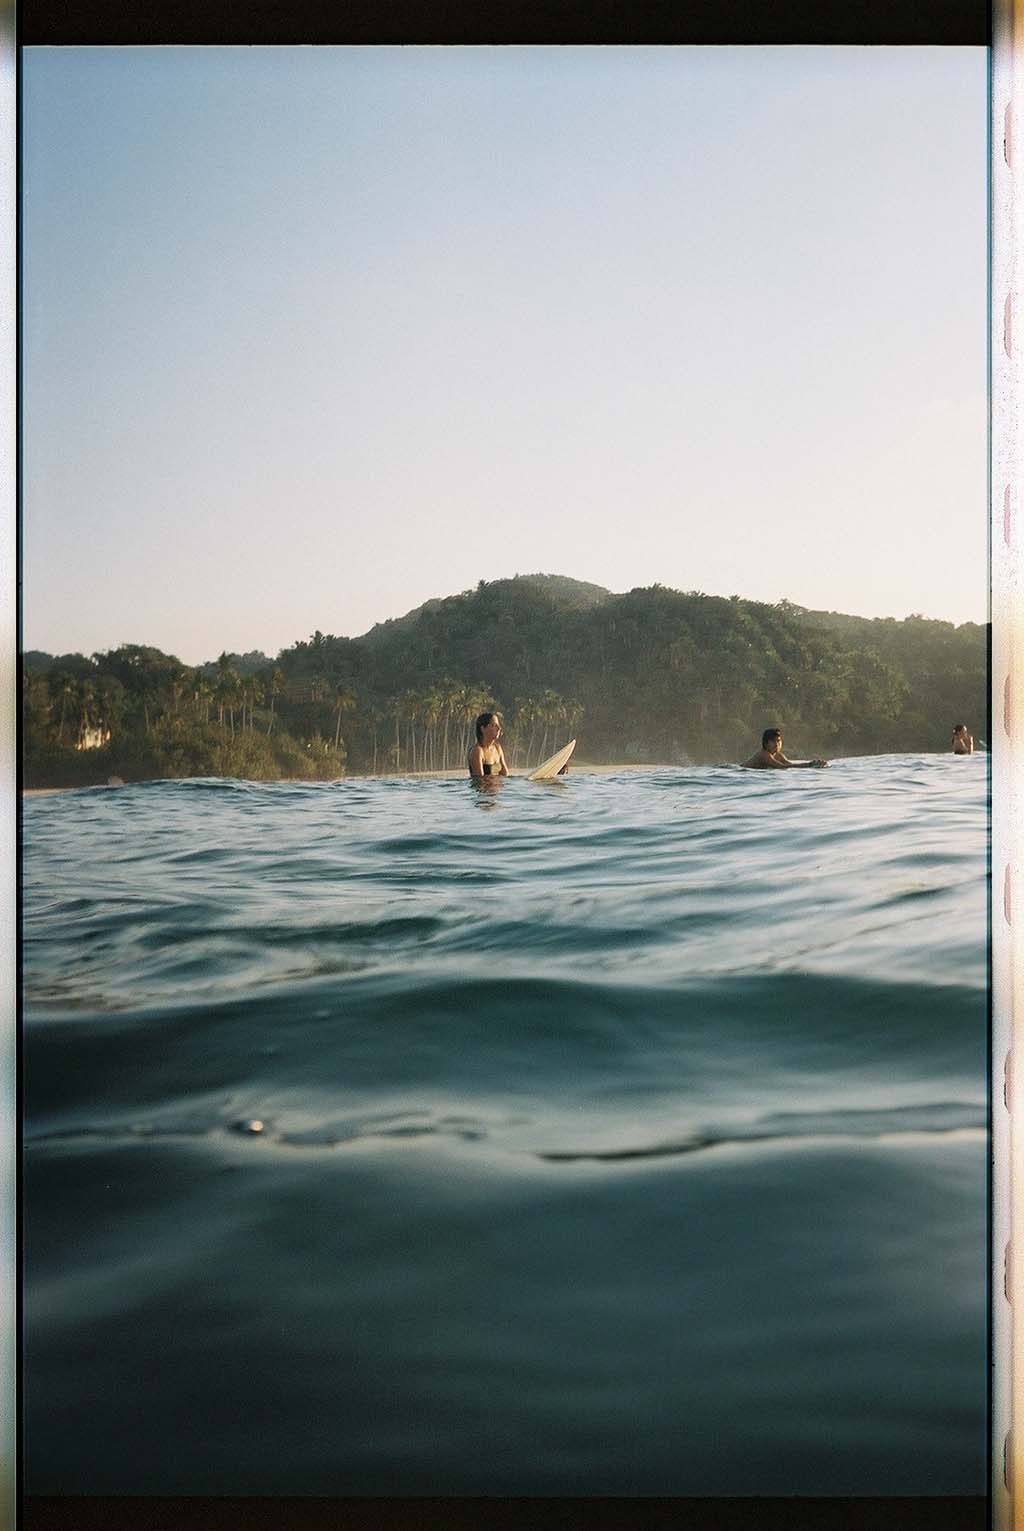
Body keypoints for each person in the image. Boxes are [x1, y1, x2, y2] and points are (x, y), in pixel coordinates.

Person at [742, 727, 829, 769]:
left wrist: (813, 764)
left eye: (778, 741)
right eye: (773, 741)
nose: (777, 744)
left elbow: (789, 765)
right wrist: (810, 764)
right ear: (766, 743)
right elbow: (782, 767)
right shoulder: (764, 754)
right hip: (740, 771)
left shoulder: (779, 756)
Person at [468, 712, 509, 779]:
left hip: (497, 788)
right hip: (484, 788)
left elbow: (505, 775)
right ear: (483, 729)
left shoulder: (497, 748)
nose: (499, 728)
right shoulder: (477, 751)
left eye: (498, 725)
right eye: (493, 725)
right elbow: (479, 781)